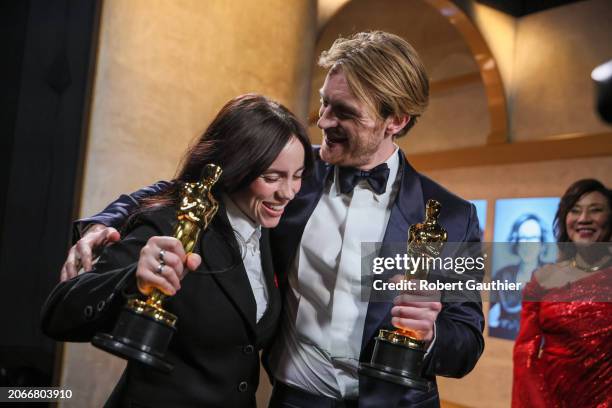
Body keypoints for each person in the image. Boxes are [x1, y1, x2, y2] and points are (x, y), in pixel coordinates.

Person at [60, 31, 485, 407]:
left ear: (396, 120)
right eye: (323, 104)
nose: (322, 122)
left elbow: (467, 340)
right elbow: (188, 187)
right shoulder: (292, 177)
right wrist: (103, 222)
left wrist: (430, 336)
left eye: (344, 113)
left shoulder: (452, 216)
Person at [42, 94, 314, 407]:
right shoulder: (177, 223)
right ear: (236, 167)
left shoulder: (274, 218)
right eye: (272, 177)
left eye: (298, 176)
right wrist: (133, 279)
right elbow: (58, 316)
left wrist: (378, 287)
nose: (290, 192)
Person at [512, 179, 612, 407]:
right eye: (575, 211)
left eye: (595, 210)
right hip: (548, 398)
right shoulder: (542, 279)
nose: (584, 218)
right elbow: (525, 353)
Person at [489, 214, 548, 339]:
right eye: (523, 238)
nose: (527, 245)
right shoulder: (502, 276)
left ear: (542, 244)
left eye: (533, 238)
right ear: (516, 242)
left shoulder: (553, 276)